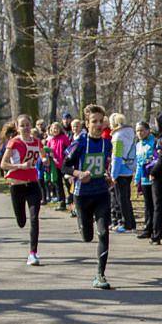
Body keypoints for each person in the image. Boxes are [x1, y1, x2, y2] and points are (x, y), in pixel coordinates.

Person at [63, 104, 114, 290]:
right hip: (82, 195)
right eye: (94, 122)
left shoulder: (106, 143)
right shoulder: (79, 143)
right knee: (87, 236)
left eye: (101, 121)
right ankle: (80, 219)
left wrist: (107, 176)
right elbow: (64, 166)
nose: (99, 125)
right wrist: (77, 174)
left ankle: (100, 274)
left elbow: (103, 164)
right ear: (87, 123)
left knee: (103, 233)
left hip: (101, 192)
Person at [0, 116, 43, 266]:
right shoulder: (14, 142)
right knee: (21, 221)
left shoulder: (37, 142)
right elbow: (3, 164)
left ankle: (33, 253)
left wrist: (46, 160)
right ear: (17, 128)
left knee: (34, 218)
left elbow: (43, 156)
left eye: (27, 125)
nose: (25, 128)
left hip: (32, 185)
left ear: (31, 126)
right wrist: (20, 166)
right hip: (17, 186)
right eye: (22, 125)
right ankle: (21, 221)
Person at [109, 113, 137, 233]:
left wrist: (113, 174)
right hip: (129, 169)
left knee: (122, 199)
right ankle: (132, 223)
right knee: (127, 198)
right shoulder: (130, 134)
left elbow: (117, 157)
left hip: (120, 171)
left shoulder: (117, 137)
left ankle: (127, 224)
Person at [147, 113, 162, 245]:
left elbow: (161, 159)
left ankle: (157, 234)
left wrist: (153, 171)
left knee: (158, 205)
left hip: (159, 173)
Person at [134, 121, 156, 240]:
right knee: (147, 205)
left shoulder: (153, 142)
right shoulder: (138, 145)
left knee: (154, 204)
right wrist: (137, 178)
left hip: (153, 177)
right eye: (137, 131)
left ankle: (155, 228)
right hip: (144, 178)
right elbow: (138, 163)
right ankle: (148, 228)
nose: (140, 133)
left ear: (148, 130)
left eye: (142, 130)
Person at [46, 122, 71, 211]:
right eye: (53, 129)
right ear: (51, 130)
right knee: (58, 184)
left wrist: (67, 159)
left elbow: (69, 149)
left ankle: (71, 199)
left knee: (68, 183)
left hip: (64, 164)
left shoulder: (64, 138)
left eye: (57, 128)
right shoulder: (50, 140)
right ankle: (62, 202)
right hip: (55, 165)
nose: (55, 130)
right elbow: (47, 151)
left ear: (60, 129)